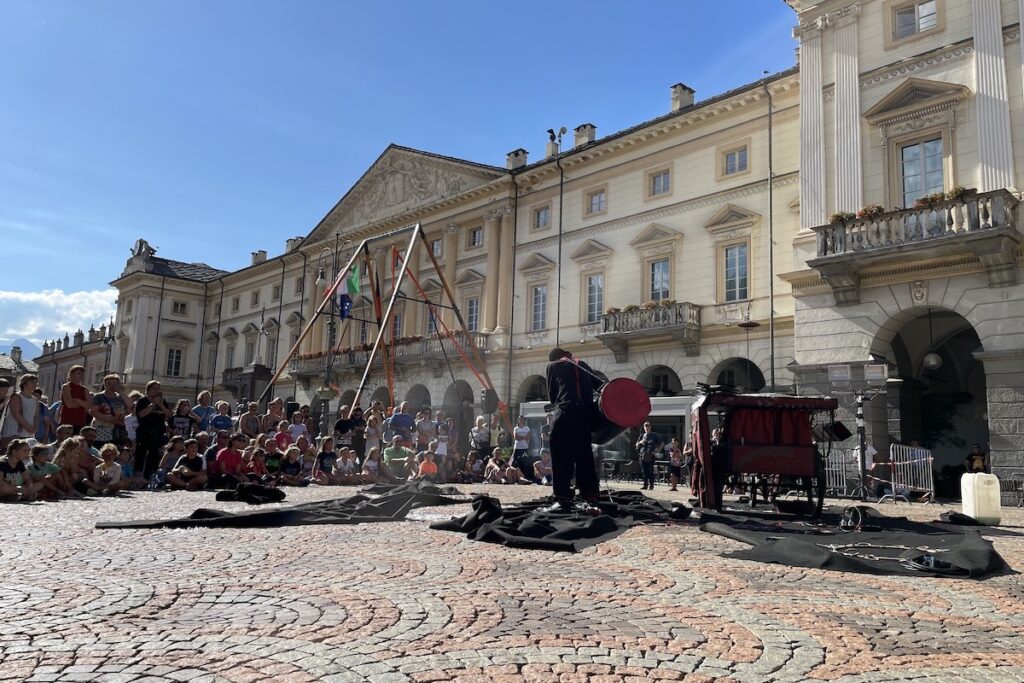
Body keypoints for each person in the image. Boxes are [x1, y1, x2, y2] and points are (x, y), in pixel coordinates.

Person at [544, 347, 604, 512]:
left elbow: (553, 396)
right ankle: (590, 495)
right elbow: (600, 386)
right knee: (584, 455)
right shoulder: (581, 364)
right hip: (583, 415)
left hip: (565, 412)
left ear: (555, 359)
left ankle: (562, 497)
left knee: (560, 454)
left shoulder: (552, 366)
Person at [134, 381, 173, 479]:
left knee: (154, 455)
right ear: (148, 390)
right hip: (144, 432)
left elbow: (169, 415)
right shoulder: (142, 401)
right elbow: (141, 414)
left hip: (158, 432)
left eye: (159, 388)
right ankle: (138, 475)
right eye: (155, 388)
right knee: (141, 455)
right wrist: (152, 405)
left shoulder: (163, 401)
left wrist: (160, 405)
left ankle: (149, 476)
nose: (157, 391)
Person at [0, 374, 39, 449]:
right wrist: (28, 428)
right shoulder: (16, 396)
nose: (34, 384)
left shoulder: (35, 399)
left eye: (36, 382)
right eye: (32, 382)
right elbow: (16, 414)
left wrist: (34, 429)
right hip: (14, 433)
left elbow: (36, 416)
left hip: (29, 434)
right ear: (24, 383)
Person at [89, 374, 128, 447]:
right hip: (102, 430)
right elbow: (92, 411)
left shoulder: (120, 397)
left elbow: (130, 405)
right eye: (109, 384)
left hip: (118, 430)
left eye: (115, 384)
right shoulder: (99, 397)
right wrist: (107, 418)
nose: (112, 386)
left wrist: (120, 392)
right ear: (105, 385)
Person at [59, 366, 92, 434]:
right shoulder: (66, 387)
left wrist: (77, 400)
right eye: (79, 374)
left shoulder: (85, 389)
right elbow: (69, 404)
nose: (81, 376)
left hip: (80, 421)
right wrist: (83, 404)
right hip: (67, 421)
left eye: (82, 374)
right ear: (72, 374)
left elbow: (89, 406)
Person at [635, 421, 663, 491]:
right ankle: (645, 485)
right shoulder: (642, 435)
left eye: (648, 426)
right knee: (644, 471)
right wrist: (641, 442)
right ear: (644, 428)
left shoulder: (654, 435)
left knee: (650, 471)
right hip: (642, 455)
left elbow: (662, 444)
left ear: (650, 427)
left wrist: (656, 451)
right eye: (645, 427)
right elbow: (636, 444)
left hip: (650, 455)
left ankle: (651, 485)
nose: (647, 428)